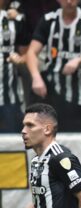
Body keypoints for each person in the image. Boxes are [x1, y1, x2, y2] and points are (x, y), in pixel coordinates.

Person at [26, 0, 81, 132]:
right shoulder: (49, 20)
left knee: (78, 139)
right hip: (52, 91)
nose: (69, 1)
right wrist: (36, 77)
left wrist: (80, 60)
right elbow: (31, 52)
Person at [0, 0, 29, 133]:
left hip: (9, 91)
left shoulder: (17, 16)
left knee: (12, 136)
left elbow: (27, 54)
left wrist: (19, 59)